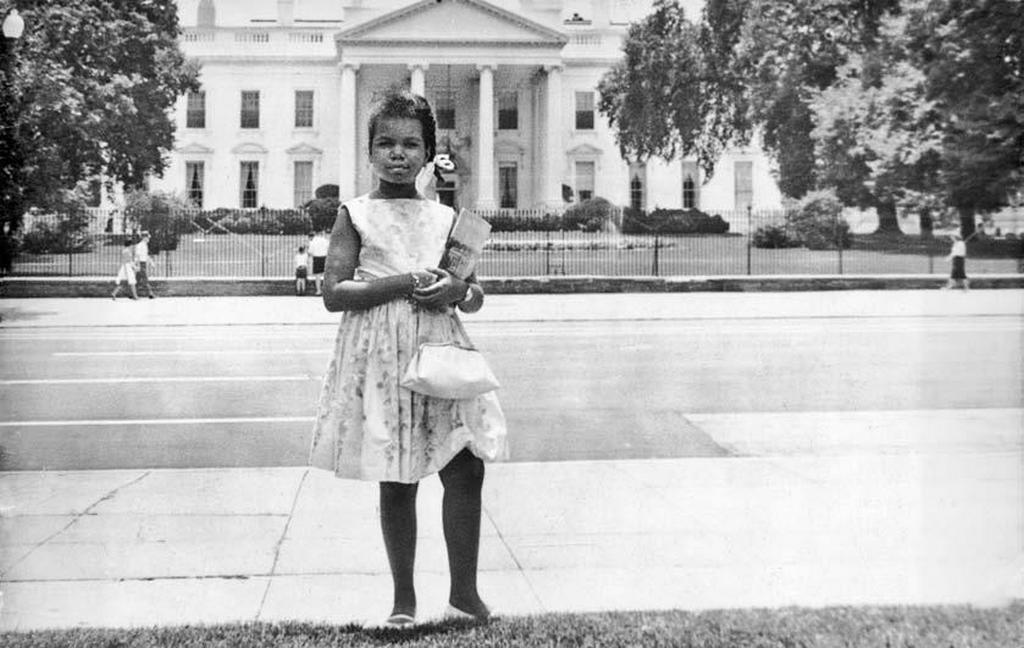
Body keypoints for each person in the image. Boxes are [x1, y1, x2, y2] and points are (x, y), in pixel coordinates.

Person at [308, 91, 506, 628]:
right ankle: (403, 602)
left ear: (428, 152)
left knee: (464, 465)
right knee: (398, 471)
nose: (398, 153)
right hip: (383, 352)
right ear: (370, 151)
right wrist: (402, 282)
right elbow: (334, 292)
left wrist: (456, 291)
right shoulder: (355, 214)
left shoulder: (446, 218)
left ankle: (465, 593)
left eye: (410, 144)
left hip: (442, 349)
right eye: (386, 143)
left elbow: (474, 292)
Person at [134, 231, 156, 299]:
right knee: (145, 279)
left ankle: (133, 293)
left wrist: (151, 262)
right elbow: (137, 256)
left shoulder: (145, 245)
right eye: (147, 237)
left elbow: (146, 255)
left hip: (143, 263)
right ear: (144, 238)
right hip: (140, 264)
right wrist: (137, 265)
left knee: (137, 280)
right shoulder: (139, 245)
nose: (148, 239)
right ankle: (150, 294)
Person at [308, 228, 330, 295]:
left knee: (318, 276)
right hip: (325, 257)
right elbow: (329, 248)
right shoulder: (325, 240)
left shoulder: (313, 241)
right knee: (326, 275)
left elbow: (310, 252)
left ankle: (318, 290)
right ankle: (327, 290)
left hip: (316, 258)